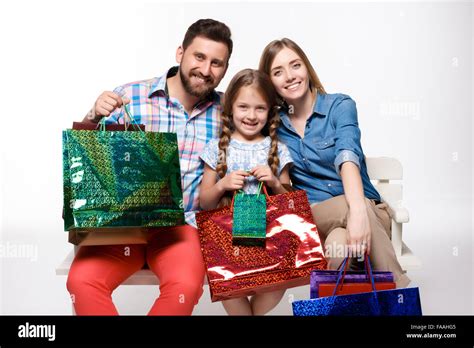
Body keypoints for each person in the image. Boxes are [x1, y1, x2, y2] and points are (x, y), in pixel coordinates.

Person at [66, 19, 233, 315]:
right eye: (199, 56)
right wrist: (92, 116)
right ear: (180, 53)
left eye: (217, 63)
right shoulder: (130, 96)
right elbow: (88, 160)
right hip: (123, 225)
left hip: (182, 228)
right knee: (82, 281)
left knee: (185, 285)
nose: (206, 70)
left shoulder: (229, 112)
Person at [258, 38, 410, 287]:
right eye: (278, 72)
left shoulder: (340, 106)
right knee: (342, 222)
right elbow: (239, 109)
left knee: (338, 246)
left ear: (306, 67)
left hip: (368, 212)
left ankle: (381, 299)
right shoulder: (274, 125)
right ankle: (401, 295)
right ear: (270, 81)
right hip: (315, 218)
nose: (289, 76)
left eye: (295, 65)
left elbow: (347, 157)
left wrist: (358, 210)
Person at [199, 69, 293, 315]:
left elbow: (290, 204)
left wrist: (273, 182)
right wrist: (222, 185)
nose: (251, 116)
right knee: (222, 276)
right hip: (228, 239)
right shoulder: (217, 147)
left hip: (269, 237)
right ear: (230, 108)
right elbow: (205, 203)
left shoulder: (278, 149)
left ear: (270, 111)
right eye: (243, 107)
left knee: (282, 274)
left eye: (260, 108)